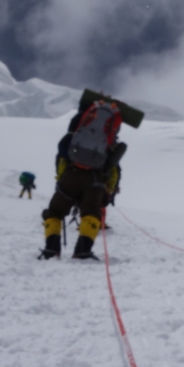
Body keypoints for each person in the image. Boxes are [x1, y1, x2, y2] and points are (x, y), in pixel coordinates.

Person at [39, 97, 127, 260]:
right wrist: (108, 190)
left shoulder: (75, 136)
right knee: (91, 214)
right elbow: (113, 170)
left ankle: (51, 249)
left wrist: (61, 178)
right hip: (96, 181)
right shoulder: (109, 144)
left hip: (71, 175)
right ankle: (82, 251)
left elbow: (62, 157)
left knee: (55, 212)